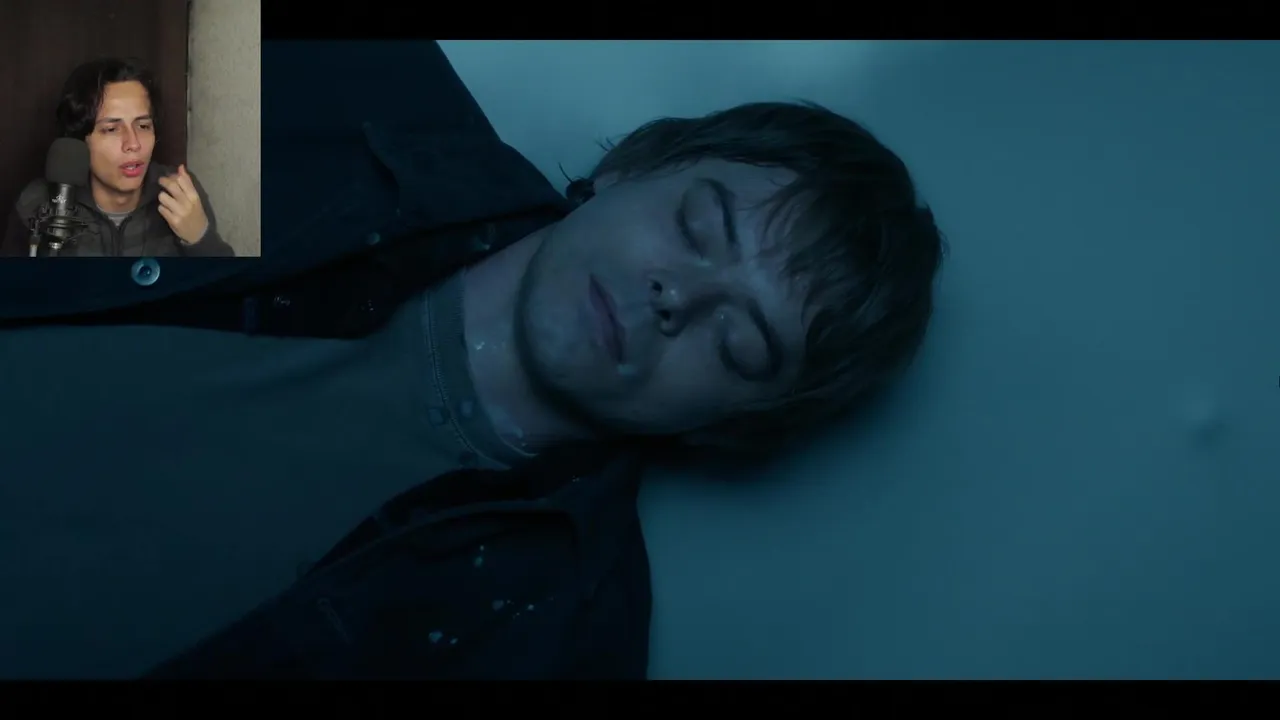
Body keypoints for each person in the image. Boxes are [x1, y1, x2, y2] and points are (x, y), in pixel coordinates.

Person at [0, 42, 943, 678]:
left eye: (738, 344)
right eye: (699, 226)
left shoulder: (554, 642)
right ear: (635, 164)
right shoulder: (349, 74)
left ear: (728, 429)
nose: (679, 297)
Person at [0, 57, 233, 257]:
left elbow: (229, 287)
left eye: (143, 126)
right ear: (79, 140)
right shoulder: (37, 203)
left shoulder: (181, 195)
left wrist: (200, 239)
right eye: (111, 129)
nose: (133, 144)